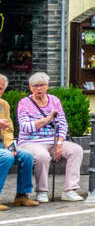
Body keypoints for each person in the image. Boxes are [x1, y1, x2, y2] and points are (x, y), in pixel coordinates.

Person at [15, 73, 82, 201]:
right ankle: (42, 191)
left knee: (76, 150)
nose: (39, 89)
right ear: (30, 87)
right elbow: (25, 127)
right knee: (42, 156)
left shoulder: (55, 101)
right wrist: (47, 119)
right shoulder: (24, 103)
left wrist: (60, 144)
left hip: (53, 141)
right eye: (36, 86)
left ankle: (70, 190)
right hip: (31, 142)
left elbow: (63, 124)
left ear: (47, 86)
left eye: (42, 85)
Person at [0, 74, 40, 208]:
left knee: (26, 155)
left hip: (2, 144)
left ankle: (22, 196)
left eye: (1, 89)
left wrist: (11, 146)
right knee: (6, 156)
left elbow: (8, 130)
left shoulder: (3, 105)